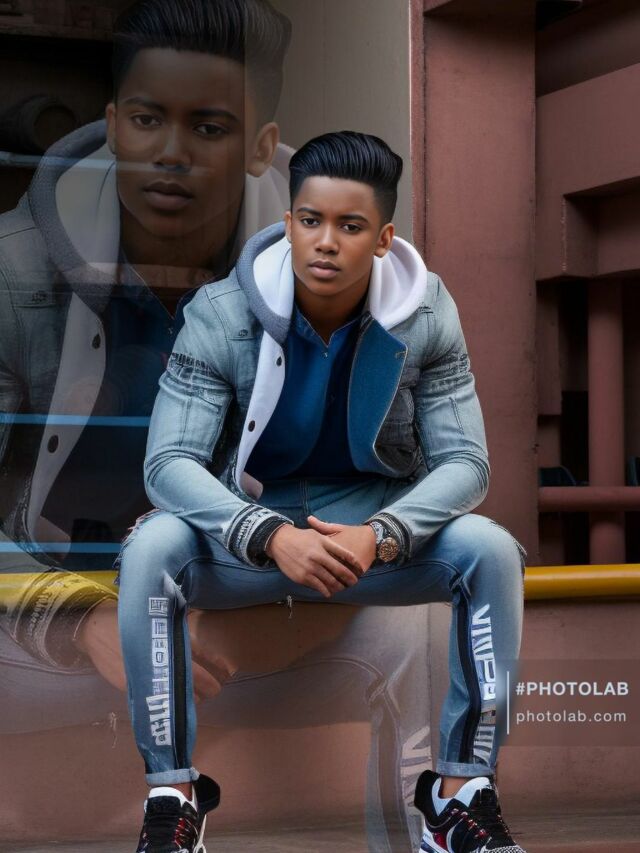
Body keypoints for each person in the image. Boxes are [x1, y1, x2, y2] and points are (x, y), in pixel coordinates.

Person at [117, 130, 528, 853]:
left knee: (490, 550)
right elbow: (169, 463)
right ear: (288, 223)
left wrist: (384, 535)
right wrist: (269, 534)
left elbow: (467, 463)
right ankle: (173, 799)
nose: (326, 242)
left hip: (372, 529)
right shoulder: (222, 312)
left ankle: (459, 795)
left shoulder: (427, 312)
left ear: (384, 238)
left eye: (350, 225)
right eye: (311, 220)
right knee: (152, 546)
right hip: (246, 528)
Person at [0, 0, 291, 687]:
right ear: (111, 126)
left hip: (243, 610)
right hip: (39, 610)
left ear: (261, 147)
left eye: (209, 127)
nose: (171, 153)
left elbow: (374, 503)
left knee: (413, 628)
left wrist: (246, 621)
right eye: (146, 119)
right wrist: (80, 618)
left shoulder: (329, 282)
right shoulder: (13, 270)